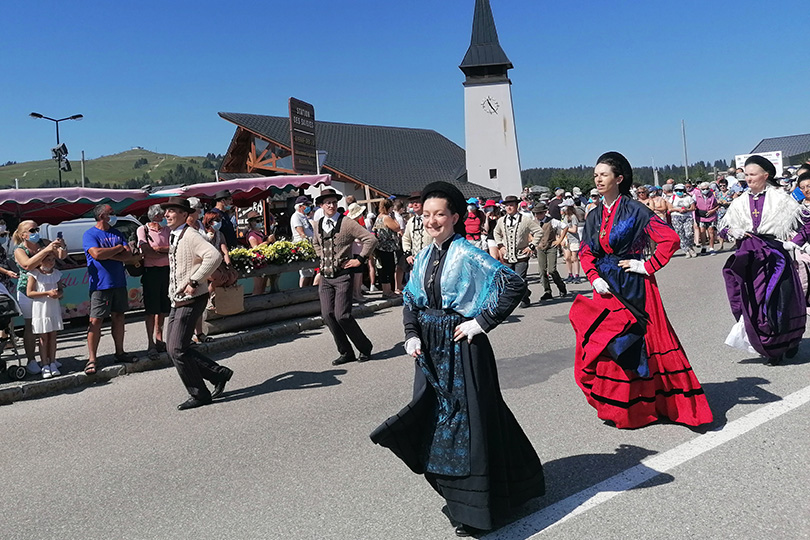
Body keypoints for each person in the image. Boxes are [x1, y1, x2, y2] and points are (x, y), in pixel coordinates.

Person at [370, 181, 545, 537]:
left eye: (440, 214)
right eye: (427, 214)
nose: (432, 220)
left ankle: (478, 507)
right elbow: (411, 301)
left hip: (462, 347)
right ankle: (501, 486)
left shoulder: (467, 252)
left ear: (455, 217)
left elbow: (513, 284)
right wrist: (411, 334)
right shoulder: (423, 255)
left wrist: (480, 323)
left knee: (472, 423)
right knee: (438, 420)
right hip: (430, 351)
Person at [569, 152, 713, 429]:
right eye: (596, 174)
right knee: (611, 343)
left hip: (634, 285)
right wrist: (593, 277)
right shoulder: (594, 213)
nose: (598, 179)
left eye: (604, 174)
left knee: (644, 341)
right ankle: (622, 408)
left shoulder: (636, 209)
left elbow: (668, 239)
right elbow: (587, 251)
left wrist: (647, 266)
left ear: (619, 179)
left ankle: (657, 404)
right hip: (605, 287)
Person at [719, 155, 807, 365]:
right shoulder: (739, 202)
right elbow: (722, 230)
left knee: (779, 301)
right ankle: (770, 346)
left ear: (765, 175)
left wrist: (793, 242)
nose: (747, 178)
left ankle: (787, 341)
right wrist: (733, 231)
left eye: (752, 174)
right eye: (746, 174)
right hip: (750, 257)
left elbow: (804, 227)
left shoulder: (782, 199)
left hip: (775, 256)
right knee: (755, 302)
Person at [162, 197, 233, 410]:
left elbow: (213, 256)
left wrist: (195, 280)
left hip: (191, 298)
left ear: (185, 214)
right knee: (174, 348)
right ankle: (217, 374)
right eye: (166, 211)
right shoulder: (176, 235)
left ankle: (200, 393)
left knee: (176, 348)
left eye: (172, 211)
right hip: (179, 299)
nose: (167, 214)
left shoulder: (190, 235)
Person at [312, 189, 378, 365]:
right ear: (321, 205)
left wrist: (359, 260)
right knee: (327, 315)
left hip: (342, 276)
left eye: (334, 202)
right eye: (328, 203)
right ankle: (346, 352)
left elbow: (370, 239)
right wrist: (323, 259)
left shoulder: (346, 223)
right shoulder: (317, 223)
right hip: (326, 277)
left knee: (342, 315)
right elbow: (316, 244)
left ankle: (364, 347)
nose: (331, 205)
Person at [83, 205, 139, 375]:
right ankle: (92, 359)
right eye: (111, 213)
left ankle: (120, 352)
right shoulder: (90, 234)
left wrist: (111, 254)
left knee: (119, 317)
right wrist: (117, 250)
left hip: (119, 282)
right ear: (102, 216)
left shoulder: (117, 233)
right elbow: (97, 254)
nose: (114, 215)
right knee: (96, 320)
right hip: (101, 285)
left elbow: (128, 255)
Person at [12, 221, 67, 374]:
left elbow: (61, 256)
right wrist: (46, 250)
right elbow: (27, 265)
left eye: (37, 228)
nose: (36, 231)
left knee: (49, 326)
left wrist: (62, 245)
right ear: (23, 235)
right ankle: (31, 360)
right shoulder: (19, 250)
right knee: (31, 326)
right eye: (32, 230)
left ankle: (50, 358)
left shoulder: (44, 243)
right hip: (28, 290)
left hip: (47, 287)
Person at [494, 195, 543, 307]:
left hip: (521, 255)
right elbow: (496, 233)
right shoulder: (501, 220)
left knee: (520, 278)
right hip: (507, 255)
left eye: (511, 205)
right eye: (507, 206)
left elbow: (539, 231)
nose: (509, 208)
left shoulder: (525, 220)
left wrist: (531, 246)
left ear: (517, 206)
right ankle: (524, 292)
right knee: (509, 279)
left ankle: (524, 298)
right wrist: (500, 245)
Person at [137, 204, 171, 359]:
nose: (165, 217)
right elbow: (146, 250)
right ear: (155, 216)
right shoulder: (142, 229)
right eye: (162, 215)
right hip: (151, 273)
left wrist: (159, 250)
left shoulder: (167, 230)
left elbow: (173, 248)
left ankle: (159, 339)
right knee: (151, 310)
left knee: (163, 309)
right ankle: (150, 343)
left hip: (166, 271)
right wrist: (163, 251)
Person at [25, 253, 63, 379]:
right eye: (48, 260)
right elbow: (30, 292)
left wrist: (58, 294)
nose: (51, 262)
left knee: (53, 336)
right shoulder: (35, 274)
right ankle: (44, 364)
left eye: (53, 260)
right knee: (43, 337)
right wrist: (47, 293)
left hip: (53, 307)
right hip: (41, 308)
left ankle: (52, 362)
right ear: (40, 261)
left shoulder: (56, 273)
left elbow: (61, 289)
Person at [532, 203, 567, 300]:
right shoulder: (533, 222)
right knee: (542, 271)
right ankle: (547, 291)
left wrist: (559, 240)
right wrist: (533, 242)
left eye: (539, 213)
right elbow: (528, 232)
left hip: (551, 246)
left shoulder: (552, 221)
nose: (538, 215)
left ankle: (561, 286)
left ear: (544, 212)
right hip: (540, 248)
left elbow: (565, 227)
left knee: (552, 270)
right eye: (536, 213)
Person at [400, 191, 431, 288]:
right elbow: (406, 238)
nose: (415, 204)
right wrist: (408, 254)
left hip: (429, 258)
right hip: (414, 260)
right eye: (413, 203)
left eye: (418, 202)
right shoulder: (411, 221)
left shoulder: (430, 219)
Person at [372, 199, 401, 298]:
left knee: (382, 269)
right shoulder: (386, 218)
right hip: (387, 247)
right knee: (389, 269)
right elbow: (397, 227)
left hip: (379, 246)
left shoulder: (378, 217)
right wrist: (394, 218)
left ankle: (386, 290)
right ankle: (388, 291)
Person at [245, 210, 274, 295]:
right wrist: (268, 241)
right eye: (257, 221)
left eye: (261, 220)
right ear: (251, 223)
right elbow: (256, 248)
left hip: (264, 260)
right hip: (257, 262)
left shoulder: (260, 233)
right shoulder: (251, 235)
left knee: (264, 285)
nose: (260, 222)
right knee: (259, 285)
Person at [668, 183, 697, 257]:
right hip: (676, 217)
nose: (679, 191)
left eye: (680, 190)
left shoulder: (688, 198)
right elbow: (670, 209)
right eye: (677, 190)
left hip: (687, 217)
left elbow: (693, 208)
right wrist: (678, 209)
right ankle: (686, 250)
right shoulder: (672, 198)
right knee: (680, 234)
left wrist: (686, 210)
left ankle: (690, 247)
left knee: (689, 233)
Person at [558, 201, 582, 283]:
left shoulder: (573, 217)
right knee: (567, 258)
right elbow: (561, 228)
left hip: (574, 240)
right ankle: (570, 274)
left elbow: (574, 230)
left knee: (574, 258)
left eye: (564, 207)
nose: (562, 209)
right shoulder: (564, 217)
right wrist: (561, 239)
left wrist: (566, 229)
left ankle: (577, 275)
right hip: (566, 240)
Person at [694, 181, 719, 254]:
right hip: (701, 216)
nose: (705, 190)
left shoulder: (712, 195)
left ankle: (711, 248)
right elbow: (693, 204)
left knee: (711, 231)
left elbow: (717, 205)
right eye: (703, 189)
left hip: (711, 215)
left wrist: (712, 210)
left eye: (707, 188)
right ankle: (704, 247)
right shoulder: (696, 195)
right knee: (702, 232)